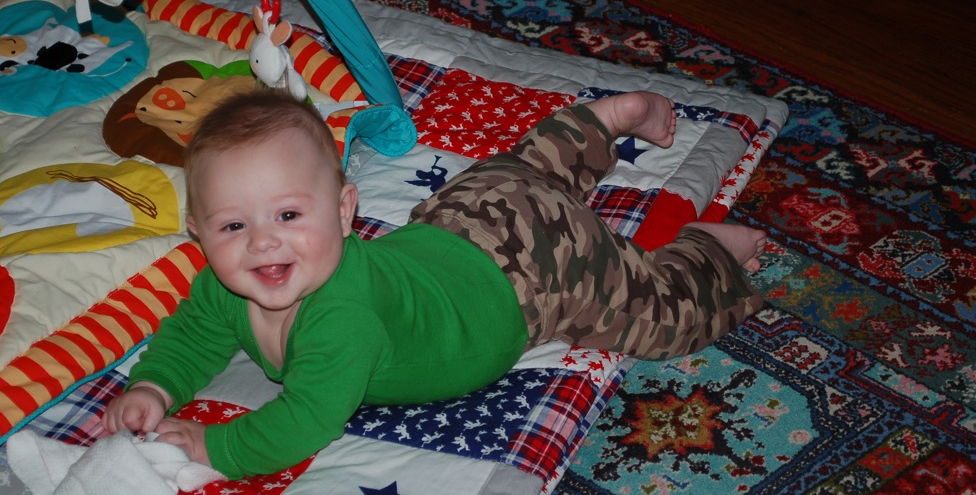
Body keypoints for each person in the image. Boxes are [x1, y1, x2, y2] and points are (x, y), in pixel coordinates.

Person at [101, 88, 766, 479]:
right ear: (198, 232)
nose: (262, 242)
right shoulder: (224, 286)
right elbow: (192, 334)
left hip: (534, 280)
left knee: (660, 315)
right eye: (233, 225)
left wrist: (212, 445)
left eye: (289, 215)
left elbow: (302, 422)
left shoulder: (339, 317)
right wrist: (156, 385)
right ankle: (604, 119)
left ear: (345, 211)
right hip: (463, 216)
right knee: (526, 170)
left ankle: (712, 250)